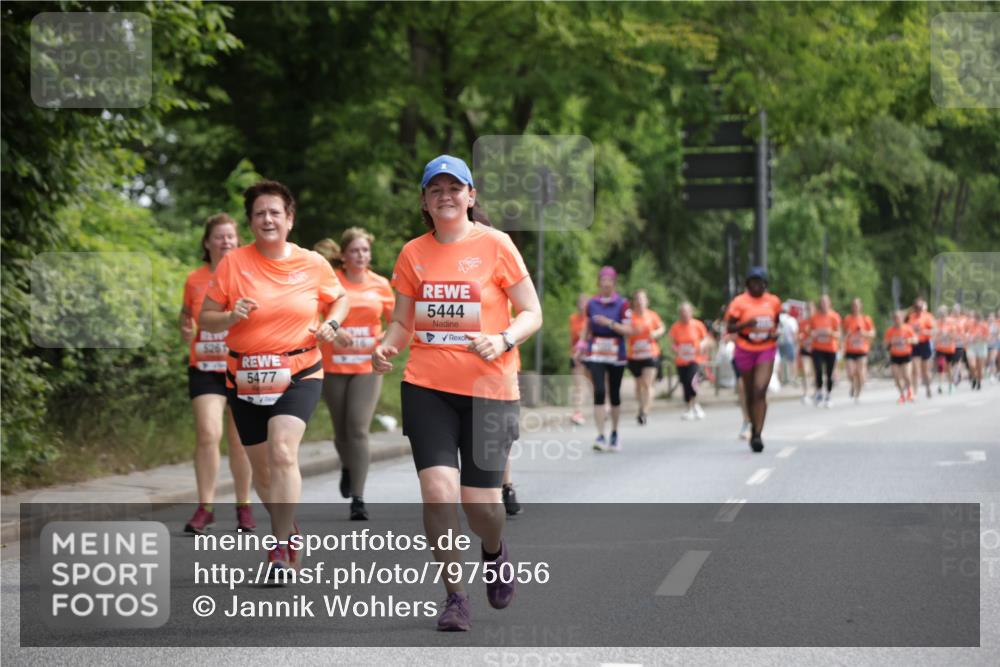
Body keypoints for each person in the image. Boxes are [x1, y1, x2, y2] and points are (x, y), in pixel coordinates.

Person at [371, 155, 542, 632]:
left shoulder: (496, 245)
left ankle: (493, 549)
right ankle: (455, 597)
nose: (445, 195)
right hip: (428, 388)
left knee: (481, 506)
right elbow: (403, 321)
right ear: (425, 201)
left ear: (471, 196)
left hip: (491, 388)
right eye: (436, 189)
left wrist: (503, 339)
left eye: (454, 187)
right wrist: (386, 345)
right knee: (438, 492)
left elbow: (531, 312)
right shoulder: (413, 253)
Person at [200, 180, 350, 573]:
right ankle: (289, 528)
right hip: (245, 377)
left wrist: (333, 323)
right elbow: (206, 318)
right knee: (262, 471)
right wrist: (230, 316)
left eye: (274, 212)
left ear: (290, 219)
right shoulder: (233, 264)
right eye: (259, 213)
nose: (267, 219)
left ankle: (279, 546)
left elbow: (339, 298)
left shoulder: (312, 263)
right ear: (251, 222)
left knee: (282, 451)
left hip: (300, 371)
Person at [180, 213, 255, 534]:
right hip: (205, 368)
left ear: (238, 242)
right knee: (208, 433)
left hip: (241, 367)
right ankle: (206, 507)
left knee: (240, 441)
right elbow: (186, 314)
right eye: (219, 236)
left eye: (230, 236)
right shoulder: (194, 279)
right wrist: (185, 328)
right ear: (207, 242)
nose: (226, 241)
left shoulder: (247, 276)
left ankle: (243, 506)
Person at [315, 229, 395, 521]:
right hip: (334, 365)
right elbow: (314, 316)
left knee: (358, 427)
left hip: (367, 366)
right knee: (341, 431)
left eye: (365, 250)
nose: (361, 255)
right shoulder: (332, 282)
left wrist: (385, 341)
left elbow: (397, 322)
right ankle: (348, 466)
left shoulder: (380, 284)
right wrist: (334, 330)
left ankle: (358, 499)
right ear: (344, 255)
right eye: (354, 251)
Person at [725, 267, 782, 453]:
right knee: (750, 393)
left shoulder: (773, 301)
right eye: (753, 282)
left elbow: (776, 323)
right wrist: (746, 324)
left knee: (760, 390)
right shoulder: (739, 302)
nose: (757, 286)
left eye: (760, 282)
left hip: (766, 348)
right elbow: (730, 327)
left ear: (765, 284)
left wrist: (774, 334)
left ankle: (757, 434)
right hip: (745, 349)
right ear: (748, 284)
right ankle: (751, 423)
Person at [576, 267, 631, 452]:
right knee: (599, 391)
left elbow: (628, 330)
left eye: (609, 281)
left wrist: (609, 323)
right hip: (596, 352)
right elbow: (587, 326)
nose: (606, 284)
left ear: (614, 283)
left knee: (614, 393)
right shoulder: (592, 304)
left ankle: (614, 432)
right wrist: (581, 345)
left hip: (616, 352)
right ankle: (600, 435)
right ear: (599, 283)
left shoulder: (622, 304)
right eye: (603, 280)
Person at [626, 289, 665, 425]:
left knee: (647, 384)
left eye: (642, 299)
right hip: (634, 355)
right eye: (637, 299)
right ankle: (641, 406)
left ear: (647, 301)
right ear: (634, 302)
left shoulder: (652, 315)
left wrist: (656, 333)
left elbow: (661, 328)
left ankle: (644, 413)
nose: (640, 301)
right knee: (638, 386)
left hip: (651, 353)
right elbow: (623, 330)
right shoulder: (629, 317)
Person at [669, 302, 710, 420]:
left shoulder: (698, 325)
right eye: (682, 312)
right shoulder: (675, 327)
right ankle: (690, 407)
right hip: (681, 360)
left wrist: (701, 345)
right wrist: (676, 350)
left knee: (691, 381)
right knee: (685, 383)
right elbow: (672, 343)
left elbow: (706, 339)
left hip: (694, 359)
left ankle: (695, 405)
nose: (684, 314)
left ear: (691, 312)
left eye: (686, 312)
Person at [807, 294, 841, 408]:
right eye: (822, 302)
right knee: (818, 370)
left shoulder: (834, 316)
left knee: (829, 373)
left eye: (825, 302)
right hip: (817, 348)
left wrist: (830, 333)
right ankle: (819, 392)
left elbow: (839, 334)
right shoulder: (814, 317)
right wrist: (813, 333)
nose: (824, 304)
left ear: (829, 303)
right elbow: (809, 330)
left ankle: (829, 395)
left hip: (831, 348)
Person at [842, 297, 875, 403]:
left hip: (862, 350)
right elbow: (843, 333)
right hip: (850, 349)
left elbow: (872, 333)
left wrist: (864, 333)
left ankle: (858, 394)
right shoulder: (847, 319)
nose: (855, 307)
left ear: (861, 306)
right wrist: (846, 334)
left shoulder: (866, 319)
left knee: (860, 373)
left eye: (857, 305)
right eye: (853, 305)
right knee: (850, 372)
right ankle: (853, 384)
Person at [885, 311, 917, 404]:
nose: (897, 320)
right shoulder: (890, 331)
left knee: (907, 375)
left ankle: (910, 391)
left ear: (902, 318)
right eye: (895, 318)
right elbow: (886, 344)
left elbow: (915, 340)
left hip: (906, 355)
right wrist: (890, 343)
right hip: (895, 355)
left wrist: (908, 340)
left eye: (898, 318)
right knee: (896, 377)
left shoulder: (907, 328)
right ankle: (902, 395)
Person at [906, 298, 936, 398]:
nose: (918, 310)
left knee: (925, 370)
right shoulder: (911, 317)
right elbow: (908, 330)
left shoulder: (928, 317)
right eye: (916, 308)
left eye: (920, 307)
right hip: (915, 344)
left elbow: (933, 331)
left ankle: (928, 388)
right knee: (915, 369)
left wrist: (925, 331)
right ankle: (915, 392)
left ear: (922, 307)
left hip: (925, 344)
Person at [568, 293, 589, 426]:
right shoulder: (573, 318)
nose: (582, 306)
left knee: (596, 385)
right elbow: (572, 339)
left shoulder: (592, 319)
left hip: (591, 356)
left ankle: (602, 407)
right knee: (578, 386)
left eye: (584, 303)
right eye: (580, 303)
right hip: (577, 356)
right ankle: (577, 412)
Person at [933, 305, 958, 394]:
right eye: (940, 313)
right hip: (940, 348)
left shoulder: (951, 322)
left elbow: (954, 337)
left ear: (946, 313)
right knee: (940, 366)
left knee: (948, 368)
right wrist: (939, 336)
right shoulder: (936, 323)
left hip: (949, 348)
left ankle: (951, 385)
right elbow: (934, 337)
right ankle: (940, 385)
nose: (942, 315)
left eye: (943, 313)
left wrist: (947, 334)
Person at [797, 301, 816, 404]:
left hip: (816, 349)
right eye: (807, 309)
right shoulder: (802, 322)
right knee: (805, 370)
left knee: (814, 371)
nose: (809, 311)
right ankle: (805, 393)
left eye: (811, 309)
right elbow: (798, 335)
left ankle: (816, 391)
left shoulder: (817, 321)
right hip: (805, 349)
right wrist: (801, 338)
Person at [965, 310, 989, 390]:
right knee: (972, 365)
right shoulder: (970, 325)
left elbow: (988, 338)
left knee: (980, 367)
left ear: (981, 319)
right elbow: (967, 335)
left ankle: (979, 382)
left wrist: (981, 338)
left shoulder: (984, 326)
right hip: (972, 346)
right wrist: (972, 338)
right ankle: (974, 378)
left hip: (981, 347)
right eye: (975, 318)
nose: (976, 320)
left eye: (978, 318)